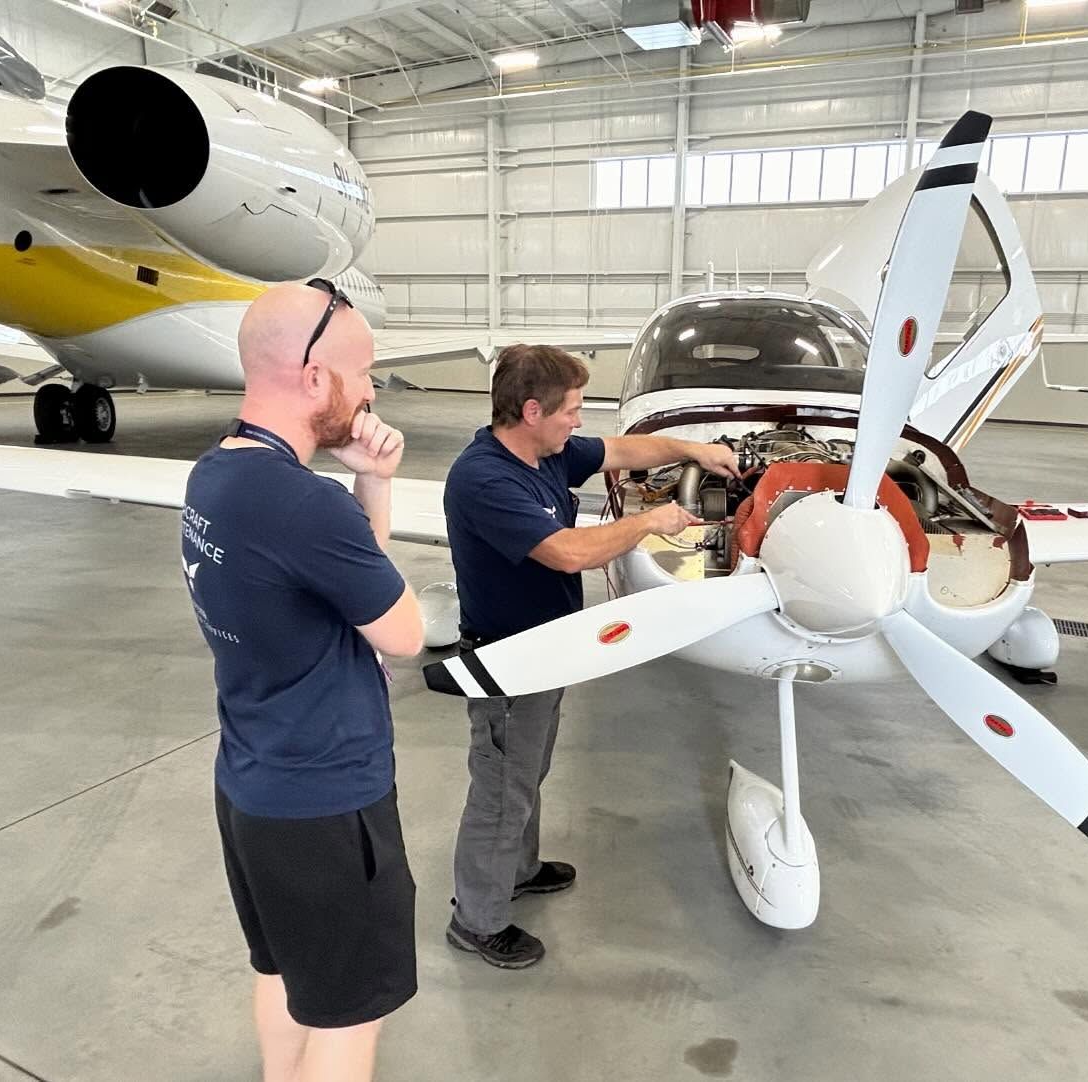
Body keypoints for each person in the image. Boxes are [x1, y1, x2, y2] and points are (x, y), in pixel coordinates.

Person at [181, 280, 425, 1082]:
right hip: (327, 804)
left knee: (282, 974)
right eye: (366, 375)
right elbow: (401, 630)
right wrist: (358, 493)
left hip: (251, 789)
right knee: (352, 1019)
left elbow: (343, 583)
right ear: (317, 379)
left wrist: (372, 480)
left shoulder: (215, 476)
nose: (371, 394)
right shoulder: (301, 505)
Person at [441, 343, 739, 969]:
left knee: (525, 774)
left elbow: (627, 450)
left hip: (549, 652)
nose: (579, 421)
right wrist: (649, 521)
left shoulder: (547, 450)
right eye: (571, 410)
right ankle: (478, 920)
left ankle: (517, 871)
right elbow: (568, 553)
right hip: (508, 660)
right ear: (529, 411)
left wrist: (694, 450)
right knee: (501, 789)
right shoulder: (485, 477)